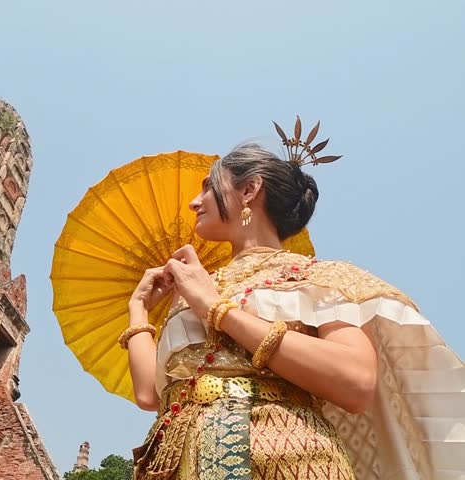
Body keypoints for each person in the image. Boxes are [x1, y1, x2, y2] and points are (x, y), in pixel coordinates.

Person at [120, 139, 465, 479]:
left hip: (286, 455)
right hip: (178, 459)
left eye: (209, 187)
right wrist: (138, 308)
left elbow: (355, 381)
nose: (195, 203)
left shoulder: (321, 278)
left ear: (249, 190)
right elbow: (151, 394)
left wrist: (215, 307)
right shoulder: (193, 288)